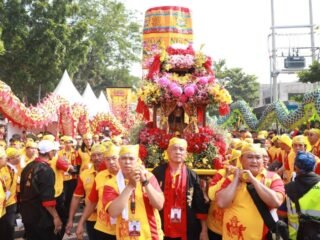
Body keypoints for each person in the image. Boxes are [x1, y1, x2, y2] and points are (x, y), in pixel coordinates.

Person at [216, 143, 285, 239]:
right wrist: (236, 179)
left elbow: (276, 202)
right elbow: (222, 203)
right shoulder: (231, 179)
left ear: (263, 160)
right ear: (241, 160)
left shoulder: (272, 177)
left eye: (258, 157)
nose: (254, 161)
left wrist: (253, 180)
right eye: (250, 157)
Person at [152, 137, 209, 240]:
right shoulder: (157, 173)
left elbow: (200, 205)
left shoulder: (192, 176)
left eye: (181, 149)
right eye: (174, 149)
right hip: (161, 226)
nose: (178, 152)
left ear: (186, 154)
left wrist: (204, 231)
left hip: (188, 229)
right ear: (168, 152)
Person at [104, 145, 164, 239]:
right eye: (123, 158)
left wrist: (145, 182)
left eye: (131, 158)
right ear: (119, 161)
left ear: (137, 161)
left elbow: (159, 205)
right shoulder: (111, 184)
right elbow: (113, 213)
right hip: (125, 236)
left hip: (151, 235)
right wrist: (130, 186)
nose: (127, 162)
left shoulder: (149, 177)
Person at [20, 140, 63, 240]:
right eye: (53, 151)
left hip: (27, 214)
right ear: (49, 152)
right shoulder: (46, 170)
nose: (55, 153)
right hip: (41, 217)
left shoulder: (28, 166)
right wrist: (56, 217)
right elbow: (47, 200)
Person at [76, 143, 120, 240]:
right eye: (108, 159)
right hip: (103, 228)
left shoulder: (132, 176)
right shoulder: (100, 176)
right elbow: (92, 201)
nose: (111, 162)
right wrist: (81, 222)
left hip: (125, 228)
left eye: (114, 158)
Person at [66, 144, 108, 240]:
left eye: (99, 155)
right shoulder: (84, 174)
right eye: (93, 155)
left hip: (109, 219)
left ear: (105, 155)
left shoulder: (113, 173)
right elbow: (76, 197)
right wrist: (71, 219)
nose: (96, 158)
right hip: (91, 218)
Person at [285, 151, 320, 239]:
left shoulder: (289, 188)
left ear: (296, 167)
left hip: (297, 235)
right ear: (314, 166)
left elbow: (281, 212)